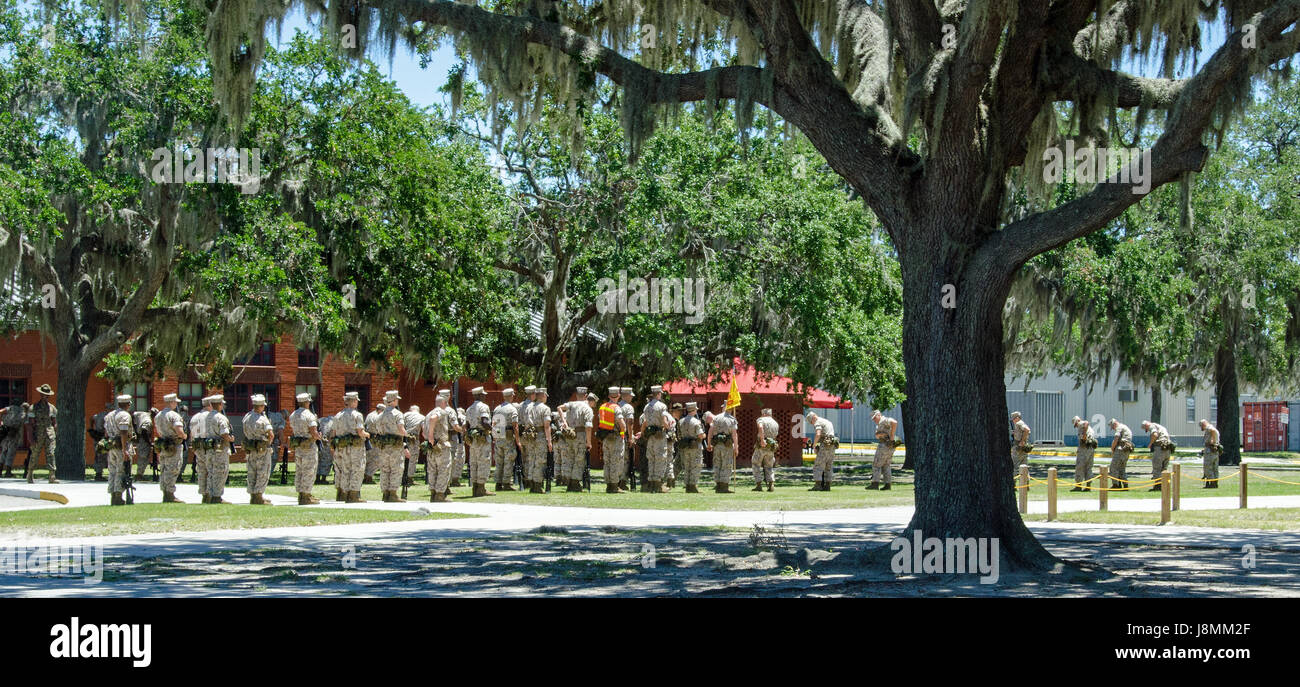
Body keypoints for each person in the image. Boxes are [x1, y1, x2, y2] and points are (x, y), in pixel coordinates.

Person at [332, 391, 370, 503]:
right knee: (357, 469)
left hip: (342, 447)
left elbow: (333, 433)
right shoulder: (357, 415)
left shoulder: (338, 415)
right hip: (356, 447)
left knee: (345, 470)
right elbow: (360, 432)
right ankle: (353, 495)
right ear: (353, 401)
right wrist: (368, 435)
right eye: (356, 401)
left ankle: (344, 493)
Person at [287, 392, 322, 505]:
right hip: (309, 446)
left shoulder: (293, 415)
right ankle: (306, 495)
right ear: (307, 402)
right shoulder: (309, 415)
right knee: (309, 470)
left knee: (300, 470)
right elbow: (313, 432)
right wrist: (319, 437)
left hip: (298, 446)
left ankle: (301, 494)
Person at [375, 390, 408, 503]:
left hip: (383, 446)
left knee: (385, 469)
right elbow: (401, 429)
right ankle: (393, 493)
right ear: (394, 400)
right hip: (395, 446)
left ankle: (385, 493)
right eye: (396, 399)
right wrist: (408, 435)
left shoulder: (380, 415)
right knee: (396, 468)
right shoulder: (397, 414)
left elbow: (378, 430)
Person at [242, 394, 276, 505]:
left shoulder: (247, 417)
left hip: (250, 448)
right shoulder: (262, 419)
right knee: (262, 472)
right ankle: (259, 496)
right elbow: (271, 434)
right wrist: (268, 444)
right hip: (262, 449)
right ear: (261, 406)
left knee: (252, 472)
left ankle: (253, 496)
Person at [153, 394, 187, 503]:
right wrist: (184, 436)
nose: (176, 404)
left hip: (163, 445)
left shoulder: (158, 416)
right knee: (173, 468)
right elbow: (179, 431)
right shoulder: (174, 416)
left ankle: (165, 493)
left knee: (163, 469)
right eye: (175, 402)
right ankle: (170, 494)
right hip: (174, 445)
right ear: (171, 402)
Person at [637, 385, 670, 493]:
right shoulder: (662, 406)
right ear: (659, 394)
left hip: (650, 436)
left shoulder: (647, 407)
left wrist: (642, 433)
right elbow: (664, 421)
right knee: (660, 459)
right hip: (659, 436)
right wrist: (669, 427)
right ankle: (658, 485)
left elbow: (645, 422)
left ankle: (651, 483)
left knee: (651, 459)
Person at [204, 395, 236, 504]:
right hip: (220, 449)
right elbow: (224, 433)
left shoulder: (208, 417)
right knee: (221, 472)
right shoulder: (221, 417)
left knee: (211, 472)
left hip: (209, 449)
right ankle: (217, 497)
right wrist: (231, 439)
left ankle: (209, 494)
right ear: (220, 404)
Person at [560, 387, 593, 492]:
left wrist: (564, 421)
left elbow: (559, 408)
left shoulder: (571, 404)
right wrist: (589, 442)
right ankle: (575, 483)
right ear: (586, 396)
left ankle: (569, 482)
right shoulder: (587, 408)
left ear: (576, 395)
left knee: (569, 458)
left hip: (570, 434)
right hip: (580, 434)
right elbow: (588, 427)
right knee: (579, 459)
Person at [105, 395, 135, 505]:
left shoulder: (109, 415)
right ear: (128, 404)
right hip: (121, 446)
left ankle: (113, 496)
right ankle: (118, 496)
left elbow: (106, 433)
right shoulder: (124, 415)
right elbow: (123, 432)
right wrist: (124, 450)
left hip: (112, 446)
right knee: (121, 471)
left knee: (112, 471)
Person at [464, 388, 494, 497]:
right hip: (482, 439)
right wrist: (493, 430)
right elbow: (485, 421)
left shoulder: (469, 409)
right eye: (483, 395)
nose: (484, 396)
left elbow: (466, 425)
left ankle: (475, 487)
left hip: (473, 439)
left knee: (474, 463)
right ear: (480, 396)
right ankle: (481, 488)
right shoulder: (483, 406)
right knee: (483, 462)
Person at [425, 394, 455, 502]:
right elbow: (434, 418)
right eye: (446, 402)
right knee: (443, 469)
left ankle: (433, 494)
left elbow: (427, 424)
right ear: (443, 403)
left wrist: (428, 437)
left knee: (432, 470)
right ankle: (440, 495)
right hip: (441, 445)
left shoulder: (428, 413)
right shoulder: (440, 411)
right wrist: (431, 436)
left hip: (431, 447)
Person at [597, 387, 626, 493]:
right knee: (615, 461)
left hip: (605, 438)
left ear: (609, 396)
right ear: (618, 396)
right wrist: (624, 430)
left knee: (607, 461)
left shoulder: (602, 407)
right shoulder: (616, 408)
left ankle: (608, 485)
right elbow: (622, 424)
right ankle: (614, 486)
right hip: (616, 438)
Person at [492, 388, 520, 492]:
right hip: (508, 438)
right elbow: (515, 426)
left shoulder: (497, 408)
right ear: (510, 396)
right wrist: (518, 440)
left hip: (499, 437)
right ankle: (506, 483)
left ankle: (498, 483)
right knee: (509, 460)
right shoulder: (512, 409)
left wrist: (495, 438)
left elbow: (494, 424)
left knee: (499, 461)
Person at [28, 384, 57, 484]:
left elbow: (54, 422)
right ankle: (30, 473)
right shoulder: (33, 408)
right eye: (44, 394)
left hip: (50, 434)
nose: (46, 396)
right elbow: (30, 424)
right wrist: (31, 439)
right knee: (35, 454)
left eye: (48, 395)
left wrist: (55, 434)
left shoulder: (52, 408)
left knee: (51, 453)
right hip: (38, 434)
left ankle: (52, 475)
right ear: (41, 394)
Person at [527, 388, 554, 494]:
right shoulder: (545, 408)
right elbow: (547, 426)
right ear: (542, 395)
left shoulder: (529, 407)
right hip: (541, 435)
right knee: (540, 460)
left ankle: (532, 484)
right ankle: (537, 485)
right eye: (545, 395)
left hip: (530, 436)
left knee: (532, 459)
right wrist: (549, 441)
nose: (546, 397)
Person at [708, 402, 738, 493]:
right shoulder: (732, 419)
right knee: (726, 464)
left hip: (717, 445)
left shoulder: (716, 418)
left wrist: (709, 444)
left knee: (717, 464)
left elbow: (710, 431)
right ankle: (724, 486)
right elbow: (734, 435)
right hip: (727, 446)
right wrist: (736, 447)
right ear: (731, 408)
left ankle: (718, 485)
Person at [677, 402, 705, 493]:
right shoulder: (696, 421)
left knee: (686, 466)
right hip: (694, 447)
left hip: (684, 446)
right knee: (695, 466)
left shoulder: (680, 421)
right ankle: (693, 485)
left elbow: (678, 435)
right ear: (694, 410)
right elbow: (700, 435)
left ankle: (687, 486)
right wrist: (704, 435)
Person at [806, 411, 838, 491]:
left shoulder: (818, 422)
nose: (812, 424)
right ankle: (827, 485)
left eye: (811, 422)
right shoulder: (827, 421)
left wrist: (814, 444)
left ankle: (818, 485)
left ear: (813, 418)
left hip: (825, 445)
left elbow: (818, 434)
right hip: (832, 445)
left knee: (818, 465)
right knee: (829, 466)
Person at [1142, 420, 1174, 492]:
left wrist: (1150, 444)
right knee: (1164, 468)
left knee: (1157, 467)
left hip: (1160, 448)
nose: (1147, 430)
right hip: (1167, 448)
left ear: (1146, 425)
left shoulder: (1152, 426)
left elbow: (1155, 435)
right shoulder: (1160, 426)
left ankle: (1157, 486)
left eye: (1146, 429)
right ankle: (1165, 485)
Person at [868, 410, 897, 490]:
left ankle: (875, 484)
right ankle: (887, 484)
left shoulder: (884, 420)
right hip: (888, 445)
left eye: (875, 418)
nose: (874, 420)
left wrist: (892, 435)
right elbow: (877, 435)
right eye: (873, 419)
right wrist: (879, 435)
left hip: (884, 445)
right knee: (886, 465)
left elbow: (894, 422)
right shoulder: (880, 423)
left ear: (879, 415)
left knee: (876, 464)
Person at [752, 408, 779, 492]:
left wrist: (762, 440)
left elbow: (760, 427)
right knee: (769, 466)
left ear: (763, 413)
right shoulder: (775, 423)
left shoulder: (761, 419)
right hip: (771, 446)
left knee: (756, 464)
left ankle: (758, 484)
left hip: (762, 446)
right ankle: (771, 484)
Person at [518, 385, 538, 490]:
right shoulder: (532, 406)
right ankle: (529, 480)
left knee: (524, 459)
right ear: (533, 394)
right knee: (531, 458)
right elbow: (530, 421)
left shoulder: (520, 405)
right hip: (530, 435)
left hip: (522, 435)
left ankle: (525, 480)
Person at [0, 401, 26, 478]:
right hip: (14, 433)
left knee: (4, 451)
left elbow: (1, 411)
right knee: (10, 453)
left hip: (6, 431)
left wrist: (1, 422)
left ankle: (0, 471)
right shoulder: (24, 413)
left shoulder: (11, 408)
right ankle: (8, 472)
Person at [618, 387, 637, 491]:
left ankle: (615, 480)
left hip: (616, 435)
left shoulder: (616, 405)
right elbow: (630, 423)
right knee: (625, 460)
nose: (631, 397)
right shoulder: (628, 407)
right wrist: (631, 437)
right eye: (630, 395)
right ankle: (622, 482)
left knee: (617, 458)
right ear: (625, 395)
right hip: (624, 435)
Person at [1071, 416, 1097, 491]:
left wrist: (1084, 435)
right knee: (1088, 467)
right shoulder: (1090, 429)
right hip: (1090, 448)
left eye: (1075, 425)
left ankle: (1078, 486)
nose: (1076, 426)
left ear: (1077, 421)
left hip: (1084, 448)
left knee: (1080, 466)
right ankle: (1088, 486)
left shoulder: (1081, 424)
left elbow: (1086, 423)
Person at [402, 404, 424, 487]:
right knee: (413, 458)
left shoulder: (405, 415)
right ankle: (409, 478)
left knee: (403, 458)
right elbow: (424, 428)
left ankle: (402, 477)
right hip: (414, 439)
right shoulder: (422, 417)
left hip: (404, 438)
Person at [1108, 418, 1134, 489]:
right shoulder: (1125, 427)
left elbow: (1116, 438)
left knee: (1113, 467)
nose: (1113, 429)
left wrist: (1112, 448)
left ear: (1114, 424)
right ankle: (1125, 485)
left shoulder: (1119, 428)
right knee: (1122, 468)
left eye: (1112, 427)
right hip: (1126, 450)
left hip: (1120, 450)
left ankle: (1115, 485)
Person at [362, 402, 385, 484]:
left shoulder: (370, 415)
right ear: (381, 410)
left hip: (368, 439)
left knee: (368, 458)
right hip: (375, 439)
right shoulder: (377, 416)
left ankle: (365, 475)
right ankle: (368, 476)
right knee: (377, 459)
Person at [132, 408, 155, 482]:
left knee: (142, 457)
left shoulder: (142, 414)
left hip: (140, 438)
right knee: (143, 457)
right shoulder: (148, 421)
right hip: (143, 440)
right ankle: (139, 475)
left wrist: (135, 429)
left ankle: (140, 474)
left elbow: (133, 415)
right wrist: (149, 442)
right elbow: (144, 431)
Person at [90, 401, 111, 481]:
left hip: (96, 436)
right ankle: (99, 474)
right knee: (103, 456)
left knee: (97, 455)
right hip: (102, 437)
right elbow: (106, 428)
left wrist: (92, 428)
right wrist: (106, 438)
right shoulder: (107, 417)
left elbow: (92, 418)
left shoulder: (98, 415)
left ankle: (98, 473)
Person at [1199, 419, 1221, 489]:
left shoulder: (1209, 428)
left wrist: (1213, 441)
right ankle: (1215, 482)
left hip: (1210, 451)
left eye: (1201, 426)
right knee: (1215, 468)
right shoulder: (1212, 428)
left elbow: (1213, 431)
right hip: (1214, 450)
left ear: (1203, 424)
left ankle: (1212, 483)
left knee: (1208, 467)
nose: (1201, 428)